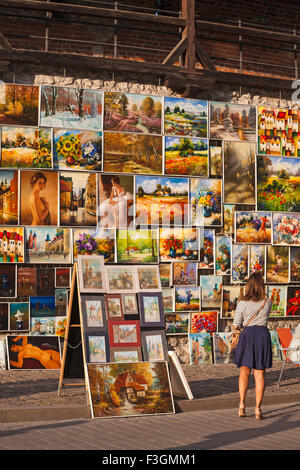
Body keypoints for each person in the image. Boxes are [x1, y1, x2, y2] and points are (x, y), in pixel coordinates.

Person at [232, 272, 272, 420]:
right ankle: (257, 409)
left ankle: (242, 404)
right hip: (262, 335)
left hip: (247, 336)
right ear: (262, 285)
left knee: (244, 372)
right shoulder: (267, 301)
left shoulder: (242, 302)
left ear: (248, 285)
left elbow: (236, 324)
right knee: (260, 374)